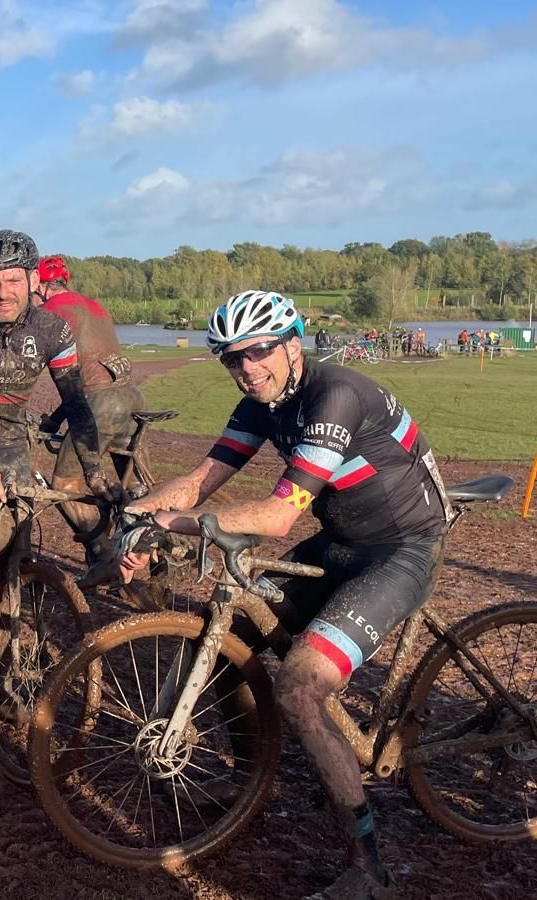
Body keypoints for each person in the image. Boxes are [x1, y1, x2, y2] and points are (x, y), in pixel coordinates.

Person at [118, 289, 451, 900]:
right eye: (233, 359)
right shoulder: (260, 402)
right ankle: (249, 775)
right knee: (232, 638)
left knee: (298, 686)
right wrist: (138, 514)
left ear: (293, 343)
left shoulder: (336, 396)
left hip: (402, 549)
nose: (247, 368)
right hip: (342, 540)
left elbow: (276, 518)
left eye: (260, 352)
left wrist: (174, 526)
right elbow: (200, 481)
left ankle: (369, 869)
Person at [0, 231, 111, 610]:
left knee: (21, 537)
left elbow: (76, 404)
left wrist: (94, 473)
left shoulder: (53, 330)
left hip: (12, 445)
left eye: (13, 280)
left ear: (33, 281)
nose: (3, 293)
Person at [31, 254, 146, 584]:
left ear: (39, 285)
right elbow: (78, 381)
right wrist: (54, 421)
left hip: (100, 403)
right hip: (131, 397)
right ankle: (152, 561)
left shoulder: (50, 312)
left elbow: (48, 371)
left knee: (64, 485)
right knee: (136, 487)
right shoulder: (93, 305)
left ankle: (103, 555)